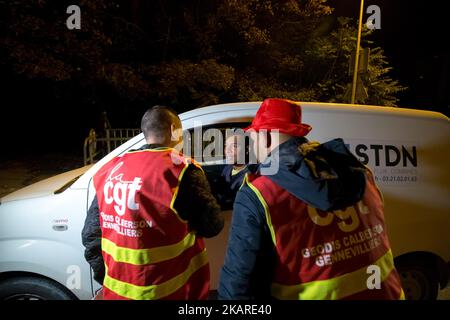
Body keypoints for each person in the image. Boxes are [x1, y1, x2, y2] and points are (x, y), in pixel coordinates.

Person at [218, 98, 404, 300]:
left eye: (253, 139)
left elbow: (236, 285)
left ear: (267, 137)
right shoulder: (361, 172)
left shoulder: (258, 194)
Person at [82, 105, 224, 300]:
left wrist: (109, 278)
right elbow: (212, 225)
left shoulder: (111, 169)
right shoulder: (181, 171)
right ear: (174, 131)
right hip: (170, 292)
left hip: (117, 293)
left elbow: (90, 236)